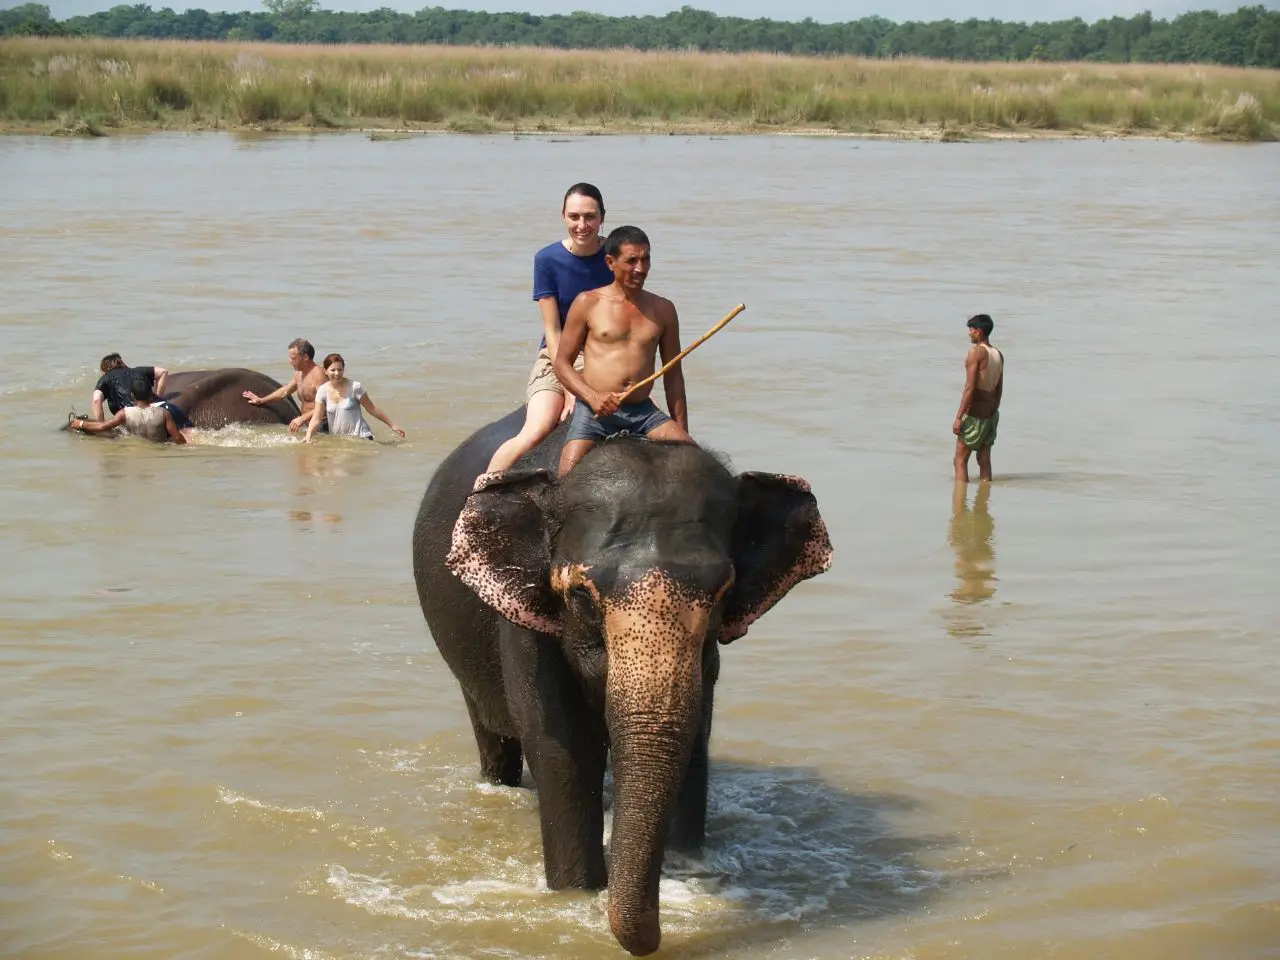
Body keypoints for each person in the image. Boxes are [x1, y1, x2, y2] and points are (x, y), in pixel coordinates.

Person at [484, 182, 616, 475]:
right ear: (563, 217)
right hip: (557, 357)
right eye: (574, 217)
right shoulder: (547, 260)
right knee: (535, 431)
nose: (582, 225)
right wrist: (570, 387)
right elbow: (553, 329)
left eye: (589, 217)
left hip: (606, 358)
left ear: (602, 218)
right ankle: (476, 500)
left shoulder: (615, 256)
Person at [554, 224, 695, 477]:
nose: (640, 269)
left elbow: (673, 376)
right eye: (631, 261)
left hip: (643, 413)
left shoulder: (664, 309)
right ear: (610, 262)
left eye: (646, 259)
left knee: (697, 466)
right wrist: (593, 397)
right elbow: (562, 364)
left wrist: (682, 433)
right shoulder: (587, 303)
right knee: (566, 476)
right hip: (595, 412)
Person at [302, 353, 406, 443]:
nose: (337, 373)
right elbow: (316, 419)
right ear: (325, 371)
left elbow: (372, 409)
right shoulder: (322, 390)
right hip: (340, 440)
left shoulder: (355, 387)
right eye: (333, 370)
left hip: (361, 437)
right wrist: (308, 436)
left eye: (340, 369)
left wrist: (393, 425)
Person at [953, 313, 1004, 483]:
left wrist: (959, 417)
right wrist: (992, 413)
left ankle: (959, 506)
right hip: (991, 414)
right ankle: (984, 500)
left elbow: (970, 387)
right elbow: (999, 390)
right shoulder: (998, 354)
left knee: (959, 459)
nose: (969, 333)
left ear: (979, 332)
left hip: (975, 414)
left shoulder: (976, 353)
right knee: (984, 460)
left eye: (971, 329)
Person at [242, 338, 328, 434]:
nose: (290, 361)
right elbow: (285, 391)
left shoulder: (319, 375)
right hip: (306, 424)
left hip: (322, 425)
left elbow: (326, 405)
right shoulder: (299, 374)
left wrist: (301, 418)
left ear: (305, 357)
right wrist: (261, 400)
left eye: (293, 358)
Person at [69, 379, 187, 444]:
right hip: (160, 451)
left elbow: (103, 426)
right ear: (151, 396)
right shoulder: (163, 413)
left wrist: (80, 424)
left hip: (134, 453)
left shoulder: (124, 413)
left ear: (132, 396)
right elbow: (178, 438)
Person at [91, 353, 169, 422]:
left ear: (105, 369)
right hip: (154, 409)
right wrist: (158, 396)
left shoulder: (106, 377)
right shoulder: (138, 370)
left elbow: (96, 400)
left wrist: (101, 424)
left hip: (130, 417)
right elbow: (163, 372)